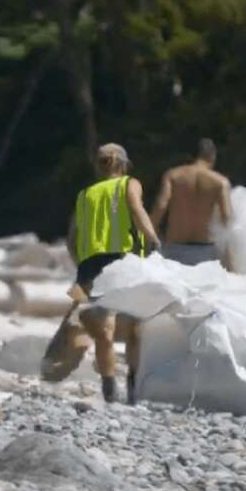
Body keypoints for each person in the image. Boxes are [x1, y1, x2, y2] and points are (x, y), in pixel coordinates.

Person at [43, 143, 161, 404]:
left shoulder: (85, 194)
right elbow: (136, 209)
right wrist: (153, 238)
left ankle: (108, 383)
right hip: (122, 262)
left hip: (90, 267)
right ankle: (132, 384)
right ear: (123, 163)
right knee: (133, 327)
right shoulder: (129, 184)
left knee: (103, 330)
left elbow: (71, 239)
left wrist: (82, 262)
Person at [151, 138, 232, 266]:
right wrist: (229, 260)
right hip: (205, 250)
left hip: (175, 248)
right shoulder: (220, 182)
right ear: (212, 157)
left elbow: (161, 205)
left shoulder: (173, 175)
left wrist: (150, 237)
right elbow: (226, 219)